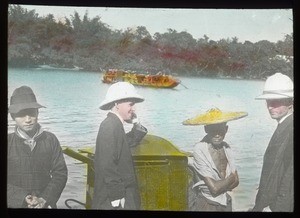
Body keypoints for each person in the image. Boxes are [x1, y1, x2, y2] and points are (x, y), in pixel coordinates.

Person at [7, 86, 68, 208]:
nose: (28, 119)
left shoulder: (50, 139)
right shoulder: (7, 142)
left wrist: (44, 199)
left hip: (45, 204)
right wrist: (22, 197)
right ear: (13, 117)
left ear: (38, 112)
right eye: (21, 115)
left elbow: (60, 173)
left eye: (31, 113)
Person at [92, 82, 148, 210]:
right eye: (131, 104)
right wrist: (116, 196)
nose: (134, 109)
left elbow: (127, 142)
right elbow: (107, 164)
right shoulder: (110, 126)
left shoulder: (114, 124)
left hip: (120, 195)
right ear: (117, 104)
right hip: (114, 199)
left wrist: (135, 122)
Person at [183, 108, 248, 211]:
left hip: (226, 200)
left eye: (220, 130)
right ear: (206, 129)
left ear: (226, 129)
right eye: (213, 130)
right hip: (208, 203)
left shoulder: (226, 147)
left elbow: (237, 182)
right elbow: (215, 189)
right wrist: (230, 178)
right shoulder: (200, 149)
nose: (217, 134)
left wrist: (223, 184)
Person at [252, 72, 293, 212]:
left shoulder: (290, 128)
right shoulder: (285, 125)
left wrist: (276, 207)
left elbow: (289, 177)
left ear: (290, 102)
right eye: (268, 101)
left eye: (275, 101)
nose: (270, 106)